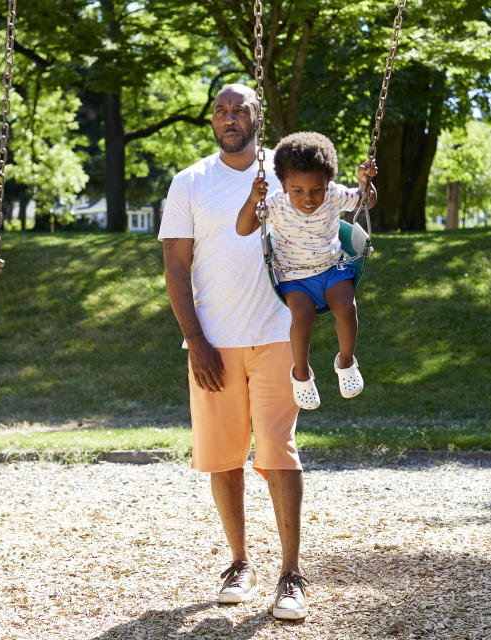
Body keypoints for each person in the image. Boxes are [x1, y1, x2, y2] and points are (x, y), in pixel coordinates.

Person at [158, 83, 310, 621]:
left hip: (275, 333)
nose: (228, 118)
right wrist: (195, 339)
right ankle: (240, 562)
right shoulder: (191, 182)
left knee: (277, 451)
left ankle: (290, 574)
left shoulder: (285, 170)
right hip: (214, 341)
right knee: (224, 459)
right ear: (214, 120)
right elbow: (176, 265)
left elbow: (333, 206)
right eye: (220, 110)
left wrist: (366, 191)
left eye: (238, 109)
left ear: (257, 116)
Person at [236, 131, 377, 410]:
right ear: (285, 186)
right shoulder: (275, 204)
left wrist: (365, 183)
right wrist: (254, 200)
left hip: (332, 267)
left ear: (328, 183)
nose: (308, 198)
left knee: (347, 308)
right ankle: (301, 374)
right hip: (294, 276)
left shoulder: (335, 195)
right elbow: (242, 229)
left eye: (316, 189)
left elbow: (365, 201)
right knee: (302, 314)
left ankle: (346, 361)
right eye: (298, 190)